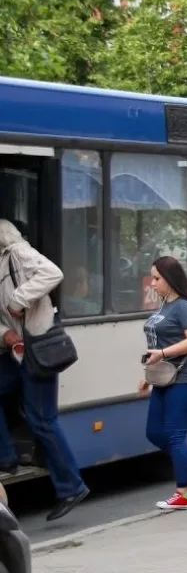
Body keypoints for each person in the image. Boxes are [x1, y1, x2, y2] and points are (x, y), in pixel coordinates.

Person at [0, 219, 89, 521]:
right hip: (20, 351)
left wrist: (18, 300)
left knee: (42, 419)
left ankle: (71, 486)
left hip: (38, 348)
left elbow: (53, 273)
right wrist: (5, 333)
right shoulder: (4, 259)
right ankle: (8, 458)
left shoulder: (18, 251)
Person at [138, 257, 187, 510]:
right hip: (165, 377)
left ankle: (184, 493)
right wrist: (149, 374)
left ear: (171, 279)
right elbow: (158, 347)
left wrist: (162, 354)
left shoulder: (185, 307)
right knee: (154, 432)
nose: (153, 283)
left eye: (157, 278)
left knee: (174, 434)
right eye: (152, 277)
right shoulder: (164, 306)